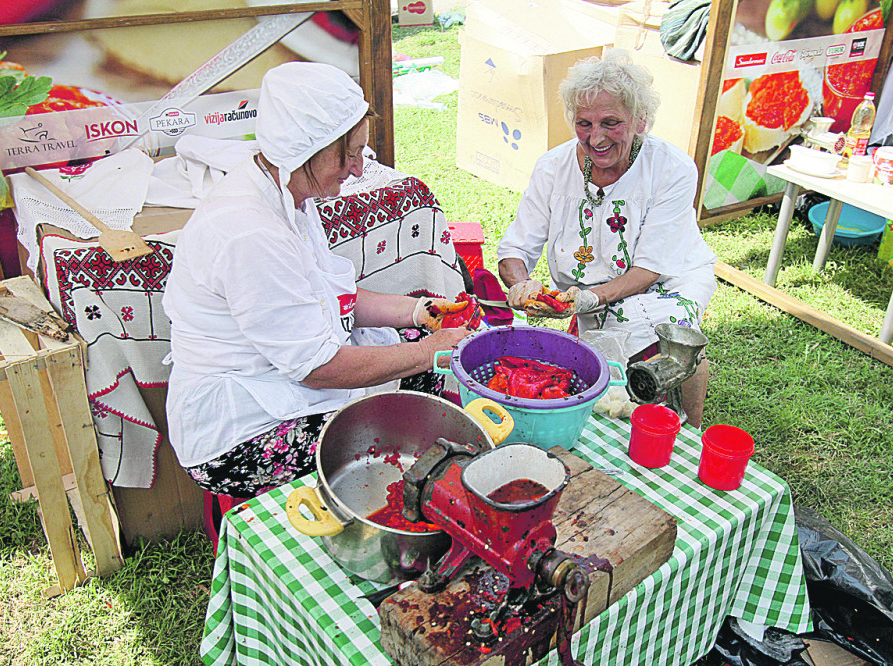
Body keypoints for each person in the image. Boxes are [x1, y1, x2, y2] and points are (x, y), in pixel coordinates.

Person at [163, 62, 476, 497]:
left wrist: (417, 312)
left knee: (418, 364)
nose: (356, 169)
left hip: (278, 377)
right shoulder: (249, 232)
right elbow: (318, 367)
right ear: (301, 152)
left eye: (360, 153)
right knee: (397, 433)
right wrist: (426, 351)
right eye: (347, 155)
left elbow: (333, 293)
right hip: (236, 431)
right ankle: (385, 511)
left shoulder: (287, 193)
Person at [496, 51, 717, 427]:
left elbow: (650, 268)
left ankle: (690, 427)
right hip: (587, 291)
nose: (595, 138)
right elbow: (515, 249)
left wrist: (587, 299)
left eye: (611, 123)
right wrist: (521, 285)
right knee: (599, 374)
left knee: (655, 336)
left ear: (640, 120)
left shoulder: (672, 168)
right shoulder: (553, 167)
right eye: (584, 123)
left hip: (666, 280)